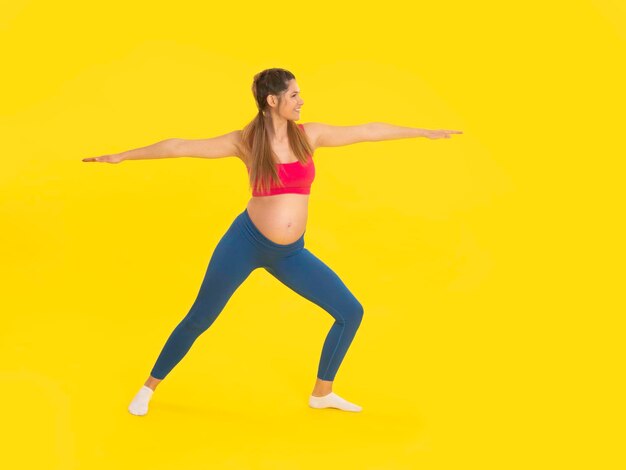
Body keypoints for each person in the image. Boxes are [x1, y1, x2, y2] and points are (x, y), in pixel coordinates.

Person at [83, 67, 462, 416]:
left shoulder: (309, 136)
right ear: (273, 101)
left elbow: (367, 130)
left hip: (290, 254)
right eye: (294, 95)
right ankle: (149, 388)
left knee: (351, 312)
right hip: (245, 243)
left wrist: (422, 132)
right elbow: (178, 145)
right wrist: (122, 157)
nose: (301, 101)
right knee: (201, 316)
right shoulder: (243, 142)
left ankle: (322, 393)